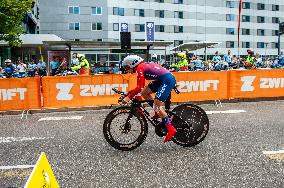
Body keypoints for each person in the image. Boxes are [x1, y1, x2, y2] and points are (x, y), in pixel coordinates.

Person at [121, 55, 177, 143]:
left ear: (132, 64)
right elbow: (140, 88)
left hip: (167, 80)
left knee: (158, 106)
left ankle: (170, 129)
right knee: (144, 92)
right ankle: (158, 112)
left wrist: (128, 97)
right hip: (162, 79)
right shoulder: (141, 66)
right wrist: (130, 93)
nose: (127, 70)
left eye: (127, 67)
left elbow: (139, 87)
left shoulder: (140, 68)